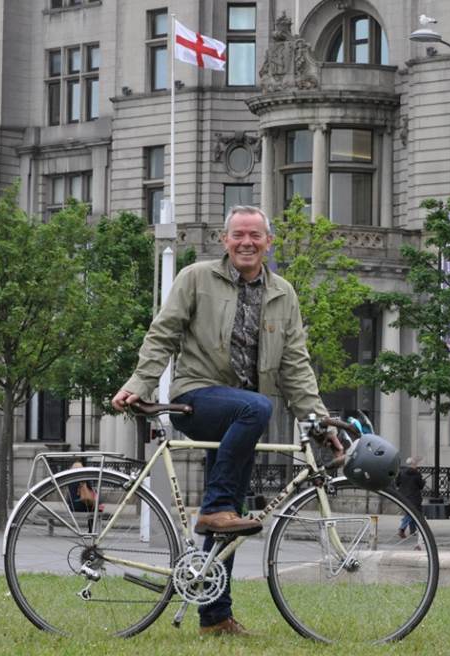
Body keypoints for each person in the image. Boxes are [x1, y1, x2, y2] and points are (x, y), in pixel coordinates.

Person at [111, 205, 342, 637]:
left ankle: (215, 618)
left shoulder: (283, 293)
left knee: (233, 514)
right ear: (225, 240)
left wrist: (319, 421)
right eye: (238, 235)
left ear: (268, 242)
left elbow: (295, 365)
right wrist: (140, 382)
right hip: (196, 398)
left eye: (255, 235)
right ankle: (214, 509)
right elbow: (163, 332)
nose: (247, 242)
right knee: (254, 412)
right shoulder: (196, 278)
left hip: (239, 415)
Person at [396, 457, 425, 539]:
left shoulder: (401, 472)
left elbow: (397, 483)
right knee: (413, 513)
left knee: (412, 513)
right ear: (413, 464)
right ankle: (402, 528)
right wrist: (423, 481)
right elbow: (421, 486)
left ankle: (413, 531)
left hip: (403, 496)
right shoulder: (416, 474)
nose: (416, 465)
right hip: (414, 496)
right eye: (415, 464)